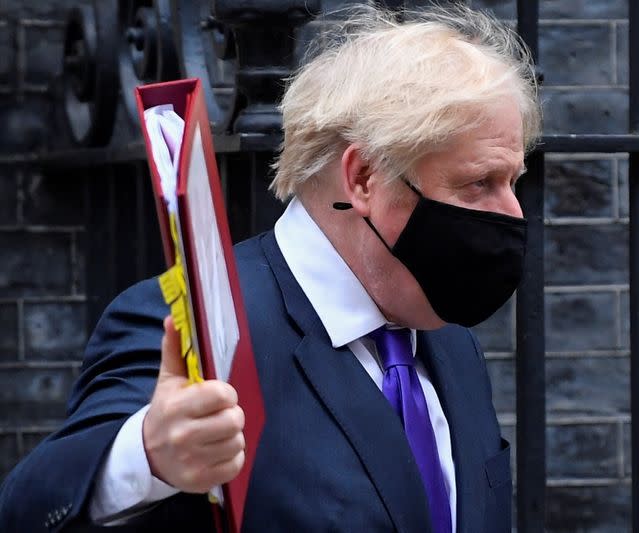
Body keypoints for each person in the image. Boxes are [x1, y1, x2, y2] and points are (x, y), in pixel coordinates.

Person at [0, 3, 539, 532]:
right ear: (365, 178)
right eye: (478, 184)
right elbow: (30, 506)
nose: (514, 214)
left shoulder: (446, 337)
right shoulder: (199, 321)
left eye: (513, 183)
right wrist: (146, 456)